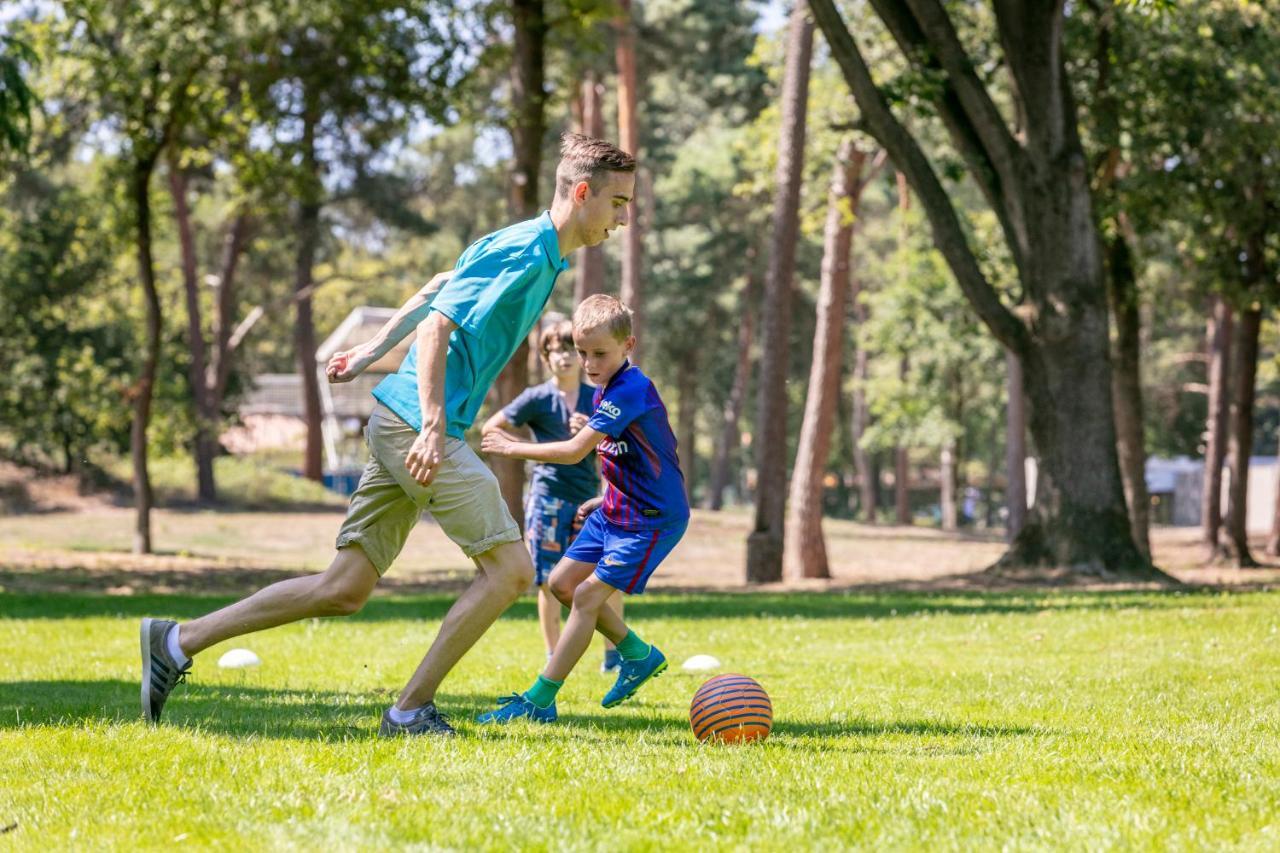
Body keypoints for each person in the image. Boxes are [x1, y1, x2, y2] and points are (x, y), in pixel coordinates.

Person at [138, 134, 636, 737]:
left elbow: (434, 287)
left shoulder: (531, 247)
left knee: (343, 588)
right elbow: (438, 328)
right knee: (509, 571)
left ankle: (176, 641)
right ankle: (408, 711)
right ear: (582, 193)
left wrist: (372, 348)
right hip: (418, 429)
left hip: (399, 421)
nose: (621, 218)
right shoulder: (528, 253)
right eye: (617, 203)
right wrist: (430, 423)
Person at [475, 295, 689, 723]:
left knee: (588, 594)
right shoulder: (605, 389)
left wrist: (513, 447)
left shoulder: (631, 388)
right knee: (561, 584)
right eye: (582, 352)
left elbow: (575, 452)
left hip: (650, 518)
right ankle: (637, 654)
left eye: (599, 354)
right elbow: (621, 452)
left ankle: (538, 700)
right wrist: (604, 495)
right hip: (615, 508)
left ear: (628, 345)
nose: (589, 363)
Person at [480, 319, 625, 673]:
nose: (564, 357)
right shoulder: (537, 398)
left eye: (569, 350)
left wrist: (591, 440)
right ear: (546, 358)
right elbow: (491, 429)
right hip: (546, 499)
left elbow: (619, 448)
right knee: (547, 580)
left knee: (606, 578)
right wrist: (532, 449)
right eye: (555, 350)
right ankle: (553, 655)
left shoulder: (599, 398)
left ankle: (614, 656)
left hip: (589, 501)